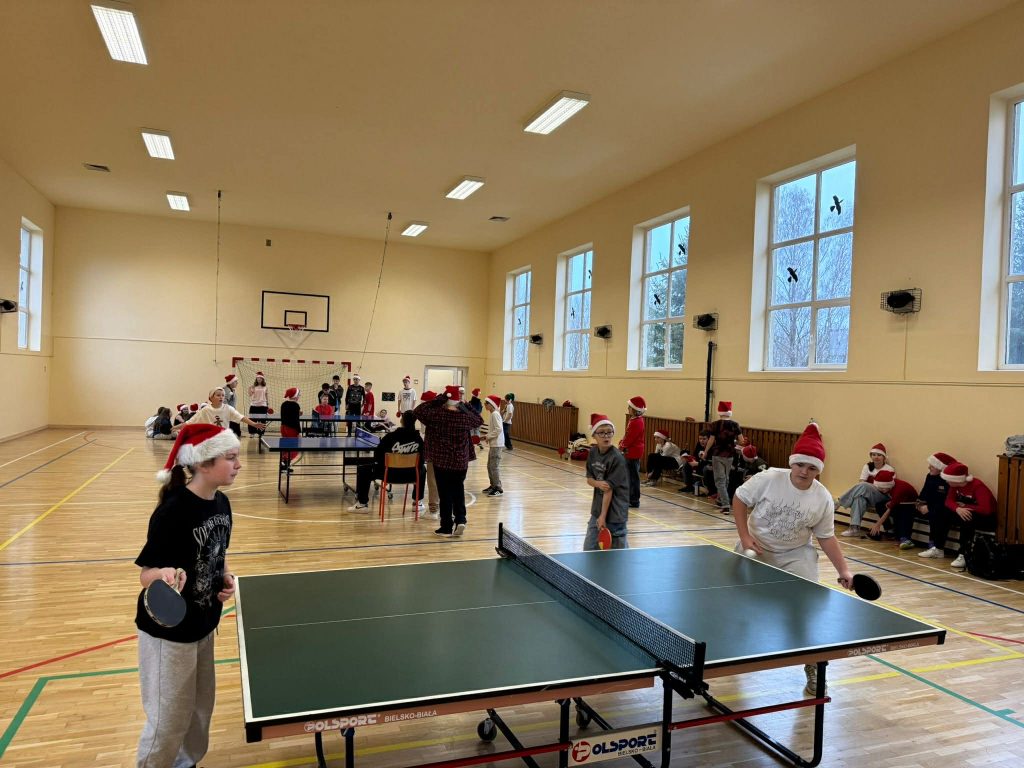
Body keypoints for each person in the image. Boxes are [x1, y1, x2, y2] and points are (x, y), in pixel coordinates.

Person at [134, 423, 240, 768]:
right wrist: (162, 575)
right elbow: (146, 574)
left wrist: (224, 576)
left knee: (199, 711)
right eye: (231, 458)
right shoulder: (173, 510)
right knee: (168, 719)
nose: (238, 464)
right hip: (169, 634)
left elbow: (217, 552)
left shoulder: (222, 504)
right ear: (204, 463)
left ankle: (187, 764)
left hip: (204, 624)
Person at [732, 421, 854, 695]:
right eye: (800, 465)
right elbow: (740, 500)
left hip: (795, 555)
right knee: (736, 601)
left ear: (818, 470)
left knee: (805, 611)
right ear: (792, 463)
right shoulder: (769, 478)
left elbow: (826, 537)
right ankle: (732, 650)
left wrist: (844, 571)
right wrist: (744, 536)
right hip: (756, 548)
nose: (804, 471)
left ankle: (813, 666)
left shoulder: (822, 498)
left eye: (811, 468)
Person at [413, 385, 483, 537]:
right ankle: (461, 519)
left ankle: (446, 527)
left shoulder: (437, 415)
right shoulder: (465, 417)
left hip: (442, 461)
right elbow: (479, 419)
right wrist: (465, 405)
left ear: (446, 400)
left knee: (444, 494)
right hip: (460, 461)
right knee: (458, 490)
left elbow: (418, 410)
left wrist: (440, 399)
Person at [348, 412, 425, 511]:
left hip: (388, 474)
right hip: (411, 475)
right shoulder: (419, 439)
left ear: (402, 421)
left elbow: (377, 457)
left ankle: (362, 504)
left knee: (364, 469)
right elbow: (422, 460)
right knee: (422, 469)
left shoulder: (390, 437)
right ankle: (417, 503)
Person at [934, 461, 996, 571]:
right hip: (966, 511)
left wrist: (965, 507)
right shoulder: (954, 486)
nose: (946, 481)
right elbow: (948, 501)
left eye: (948, 479)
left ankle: (963, 554)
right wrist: (957, 509)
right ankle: (938, 548)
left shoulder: (978, 486)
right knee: (942, 512)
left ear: (956, 479)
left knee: (966, 517)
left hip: (986, 517)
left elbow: (987, 509)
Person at [584, 414, 630, 550]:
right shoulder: (592, 453)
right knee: (589, 549)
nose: (606, 436)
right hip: (597, 511)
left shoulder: (617, 458)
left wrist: (603, 516)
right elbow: (589, 479)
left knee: (619, 555)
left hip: (615, 513)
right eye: (602, 433)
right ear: (594, 435)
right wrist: (598, 484)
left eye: (609, 432)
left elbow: (608, 489)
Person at [836, 443, 896, 537]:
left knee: (864, 486)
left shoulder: (889, 469)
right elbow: (861, 482)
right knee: (859, 498)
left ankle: (839, 502)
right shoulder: (867, 466)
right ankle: (854, 528)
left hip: (882, 496)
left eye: (879, 455)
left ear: (884, 457)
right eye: (874, 455)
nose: (876, 457)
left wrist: (871, 487)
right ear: (871, 456)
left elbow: (887, 488)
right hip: (868, 496)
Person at [702, 401, 743, 511]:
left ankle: (725, 505)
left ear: (719, 412)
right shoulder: (735, 425)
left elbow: (711, 440)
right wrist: (733, 442)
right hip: (730, 455)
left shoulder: (715, 424)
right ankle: (721, 499)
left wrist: (706, 451)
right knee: (726, 479)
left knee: (720, 480)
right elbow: (741, 441)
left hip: (718, 454)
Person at [173, 387, 265, 435]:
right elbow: (189, 423)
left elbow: (241, 417)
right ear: (211, 398)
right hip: (210, 439)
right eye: (218, 395)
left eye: (222, 395)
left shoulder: (228, 408)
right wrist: (174, 427)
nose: (221, 397)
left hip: (223, 438)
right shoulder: (205, 410)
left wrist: (254, 424)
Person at [917, 452, 958, 560]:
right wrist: (919, 503)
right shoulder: (929, 476)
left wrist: (929, 507)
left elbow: (945, 500)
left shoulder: (947, 480)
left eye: (932, 465)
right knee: (905, 508)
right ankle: (904, 538)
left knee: (937, 513)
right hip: (929, 505)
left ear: (940, 467)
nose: (929, 467)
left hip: (943, 508)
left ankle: (936, 546)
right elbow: (924, 493)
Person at [864, 470, 919, 548]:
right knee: (880, 505)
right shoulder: (890, 484)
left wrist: (877, 524)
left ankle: (905, 538)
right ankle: (889, 529)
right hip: (899, 503)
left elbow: (889, 510)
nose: (881, 490)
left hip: (910, 505)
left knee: (902, 513)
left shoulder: (899, 490)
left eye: (883, 488)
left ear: (888, 485)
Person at [619, 396, 646, 507]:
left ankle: (634, 500)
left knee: (633, 477)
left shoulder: (637, 422)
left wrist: (622, 446)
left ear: (635, 409)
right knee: (629, 476)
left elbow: (630, 437)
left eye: (629, 407)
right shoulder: (634, 420)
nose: (628, 408)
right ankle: (630, 498)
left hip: (633, 452)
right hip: (630, 451)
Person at [481, 395, 505, 496]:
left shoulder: (495, 414)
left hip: (497, 445)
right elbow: (494, 429)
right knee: (489, 466)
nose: (485, 405)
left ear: (491, 404)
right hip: (494, 444)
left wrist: (488, 436)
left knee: (494, 467)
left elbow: (498, 429)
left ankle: (498, 488)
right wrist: (487, 437)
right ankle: (493, 485)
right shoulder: (493, 414)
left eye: (486, 403)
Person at [679, 429, 713, 494]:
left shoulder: (712, 447)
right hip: (699, 464)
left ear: (709, 440)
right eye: (700, 439)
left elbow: (710, 462)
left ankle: (710, 491)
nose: (701, 441)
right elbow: (695, 455)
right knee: (686, 465)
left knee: (706, 468)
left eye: (704, 439)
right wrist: (689, 459)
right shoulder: (699, 444)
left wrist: (698, 463)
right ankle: (689, 486)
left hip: (706, 465)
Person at [279, 387, 302, 466]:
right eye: (299, 395)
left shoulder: (284, 404)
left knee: (285, 446)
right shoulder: (296, 405)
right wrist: (299, 432)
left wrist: (297, 413)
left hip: (283, 427)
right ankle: (285, 460)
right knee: (295, 447)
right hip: (292, 429)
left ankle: (284, 465)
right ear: (295, 396)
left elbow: (286, 416)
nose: (299, 396)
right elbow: (296, 420)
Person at [247, 372, 269, 436]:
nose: (259, 379)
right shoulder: (254, 387)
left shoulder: (265, 387)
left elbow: (266, 395)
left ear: (262, 379)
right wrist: (249, 388)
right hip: (254, 405)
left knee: (263, 420)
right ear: (256, 379)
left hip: (263, 405)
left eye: (260, 378)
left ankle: (261, 433)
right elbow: (250, 394)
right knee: (252, 420)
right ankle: (252, 433)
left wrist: (267, 403)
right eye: (258, 378)